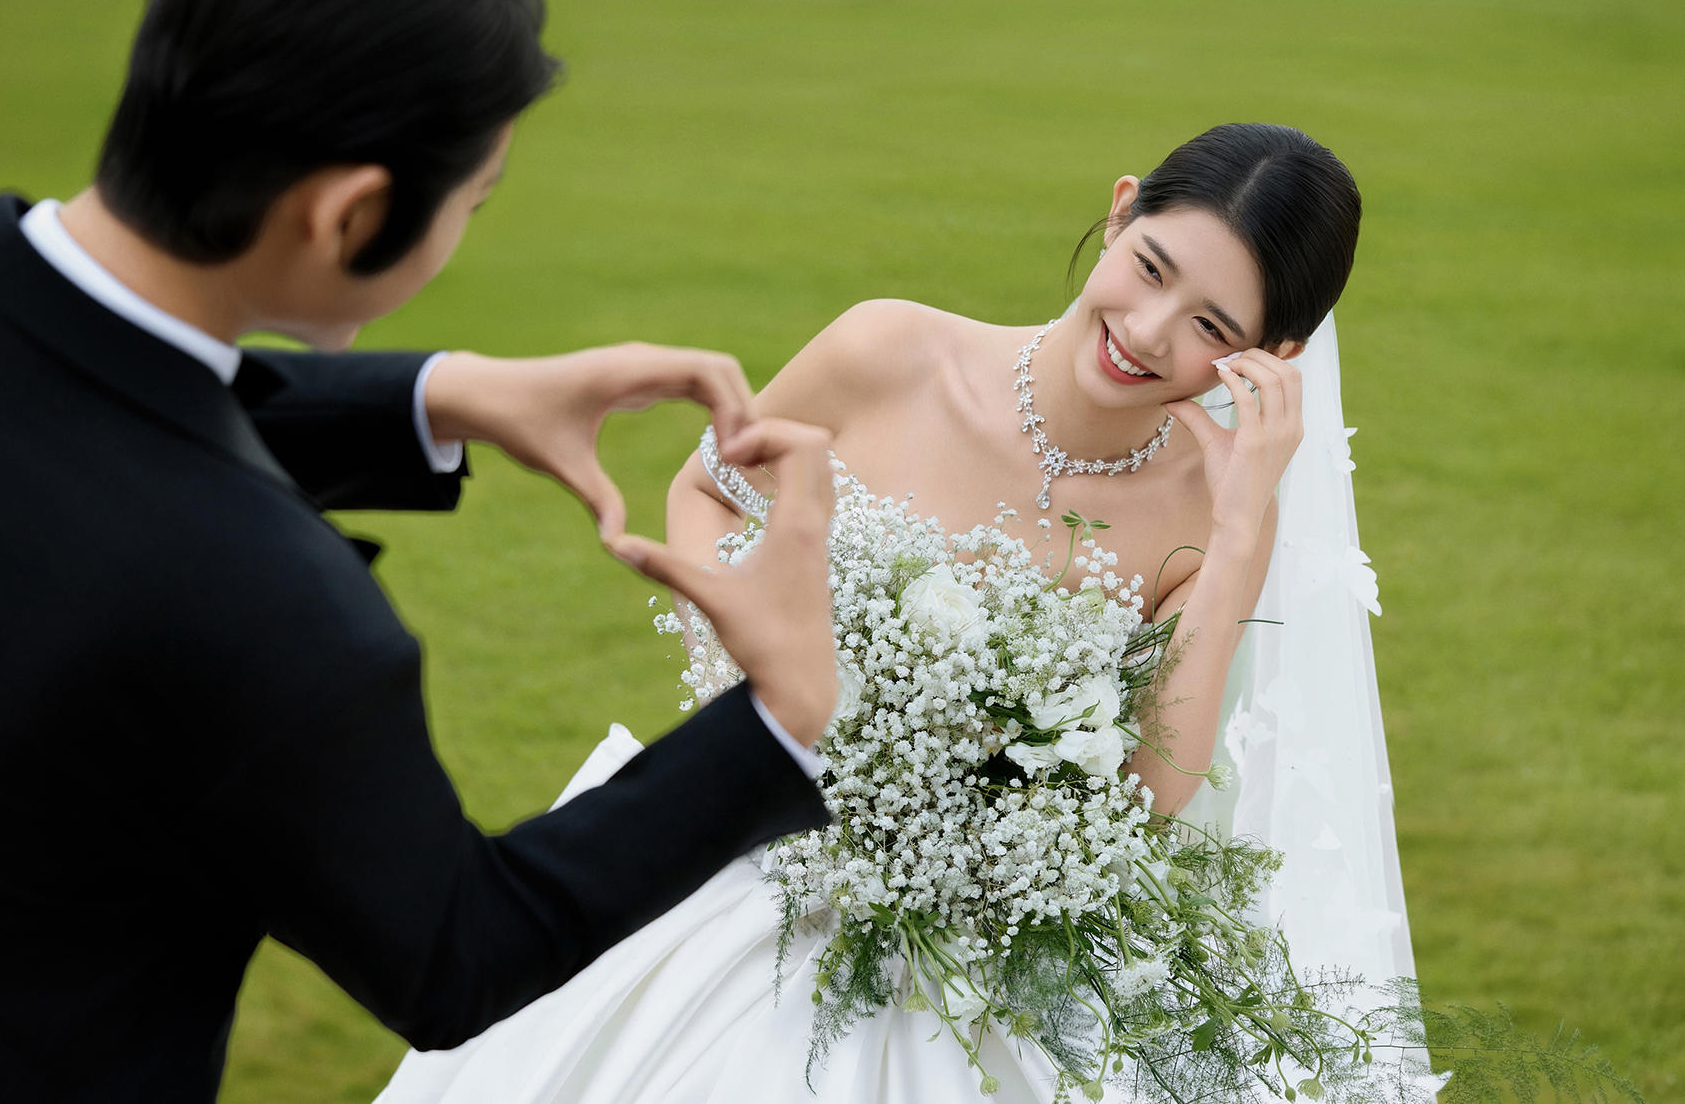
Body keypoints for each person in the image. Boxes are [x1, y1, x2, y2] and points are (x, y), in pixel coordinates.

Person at [0, 0, 853, 1100]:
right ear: (348, 215)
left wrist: (439, 395)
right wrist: (778, 720)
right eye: (472, 201)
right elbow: (456, 948)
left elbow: (68, 400)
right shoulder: (274, 612)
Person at [377, 124, 1434, 1102]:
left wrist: (1242, 534)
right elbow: (708, 490)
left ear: (1270, 359)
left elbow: (1149, 796)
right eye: (1149, 267)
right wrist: (757, 686)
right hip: (742, 865)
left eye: (1209, 325)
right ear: (1118, 212)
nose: (1146, 331)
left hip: (969, 976)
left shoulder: (1205, 519)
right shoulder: (887, 349)